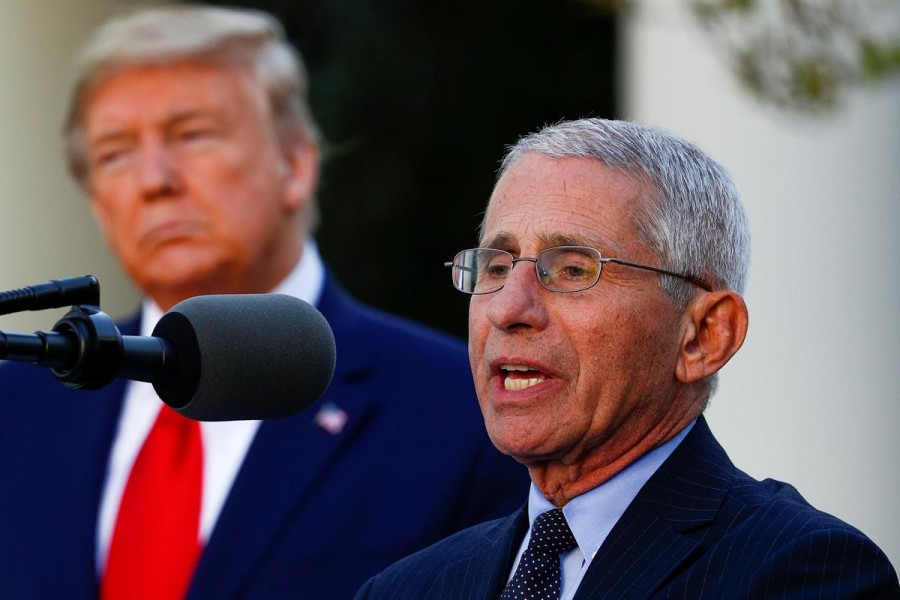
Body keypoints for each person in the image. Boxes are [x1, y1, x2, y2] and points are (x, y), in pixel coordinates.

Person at [0, 5, 528, 599]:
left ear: (296, 164)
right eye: (116, 154)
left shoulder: (461, 408)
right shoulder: (17, 404)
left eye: (192, 135)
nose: (154, 180)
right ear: (97, 202)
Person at [355, 118, 900, 599]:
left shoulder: (803, 574)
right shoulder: (408, 587)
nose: (509, 309)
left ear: (704, 336)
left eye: (570, 269)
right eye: (496, 268)